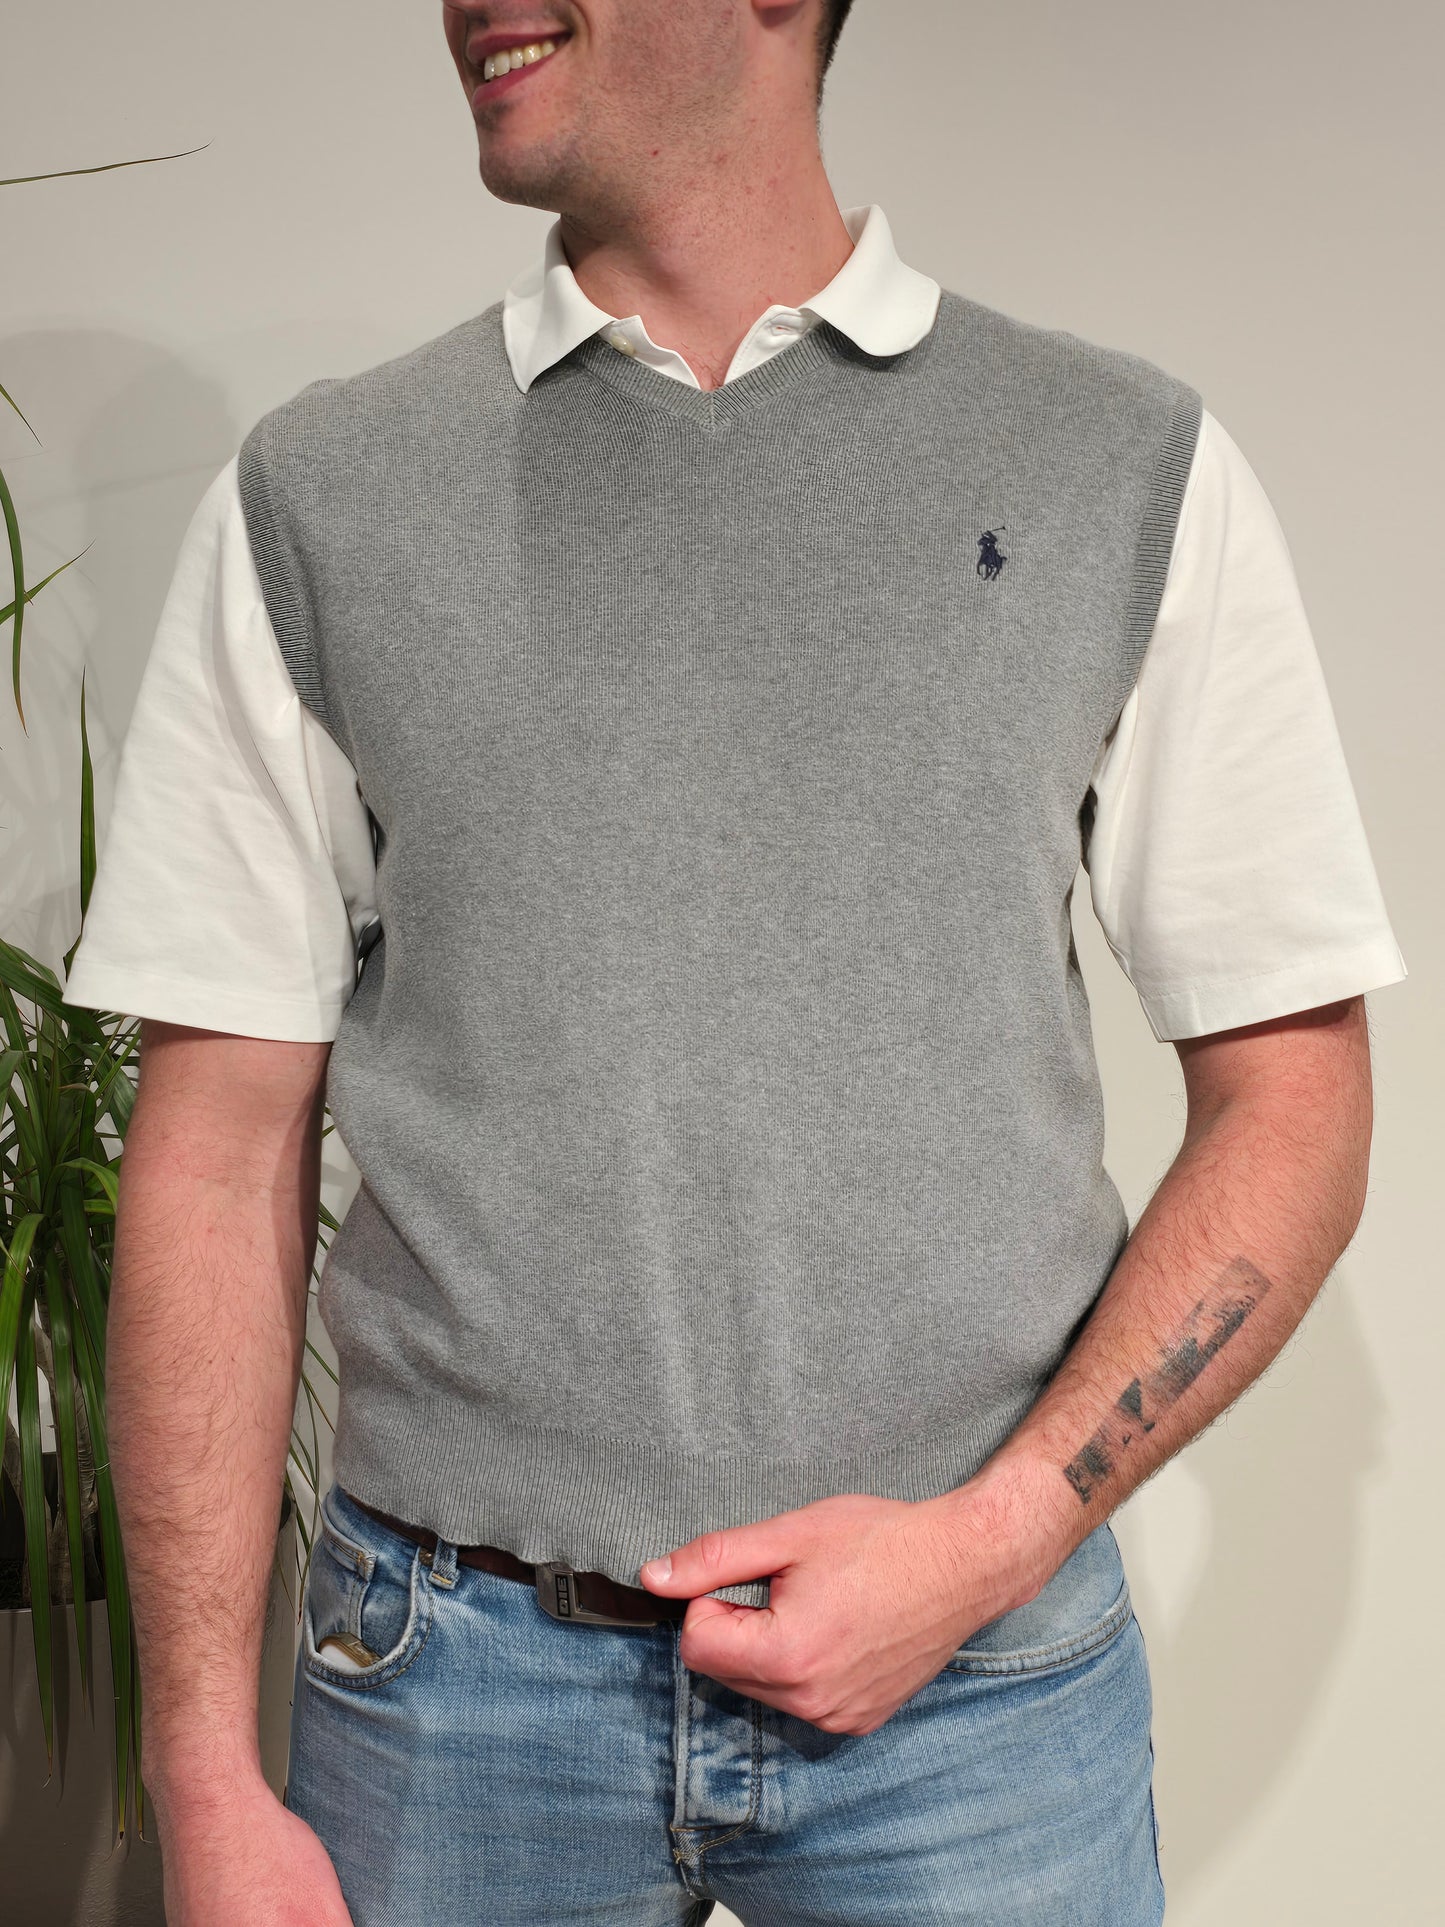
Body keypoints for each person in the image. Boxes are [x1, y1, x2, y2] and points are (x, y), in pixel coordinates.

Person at [61, 2, 1407, 1922]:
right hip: (448, 1681)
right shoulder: (325, 497)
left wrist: (992, 1541)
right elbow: (212, 1148)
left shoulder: (1122, 467)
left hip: (974, 1694)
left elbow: (1294, 1098)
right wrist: (199, 1765)